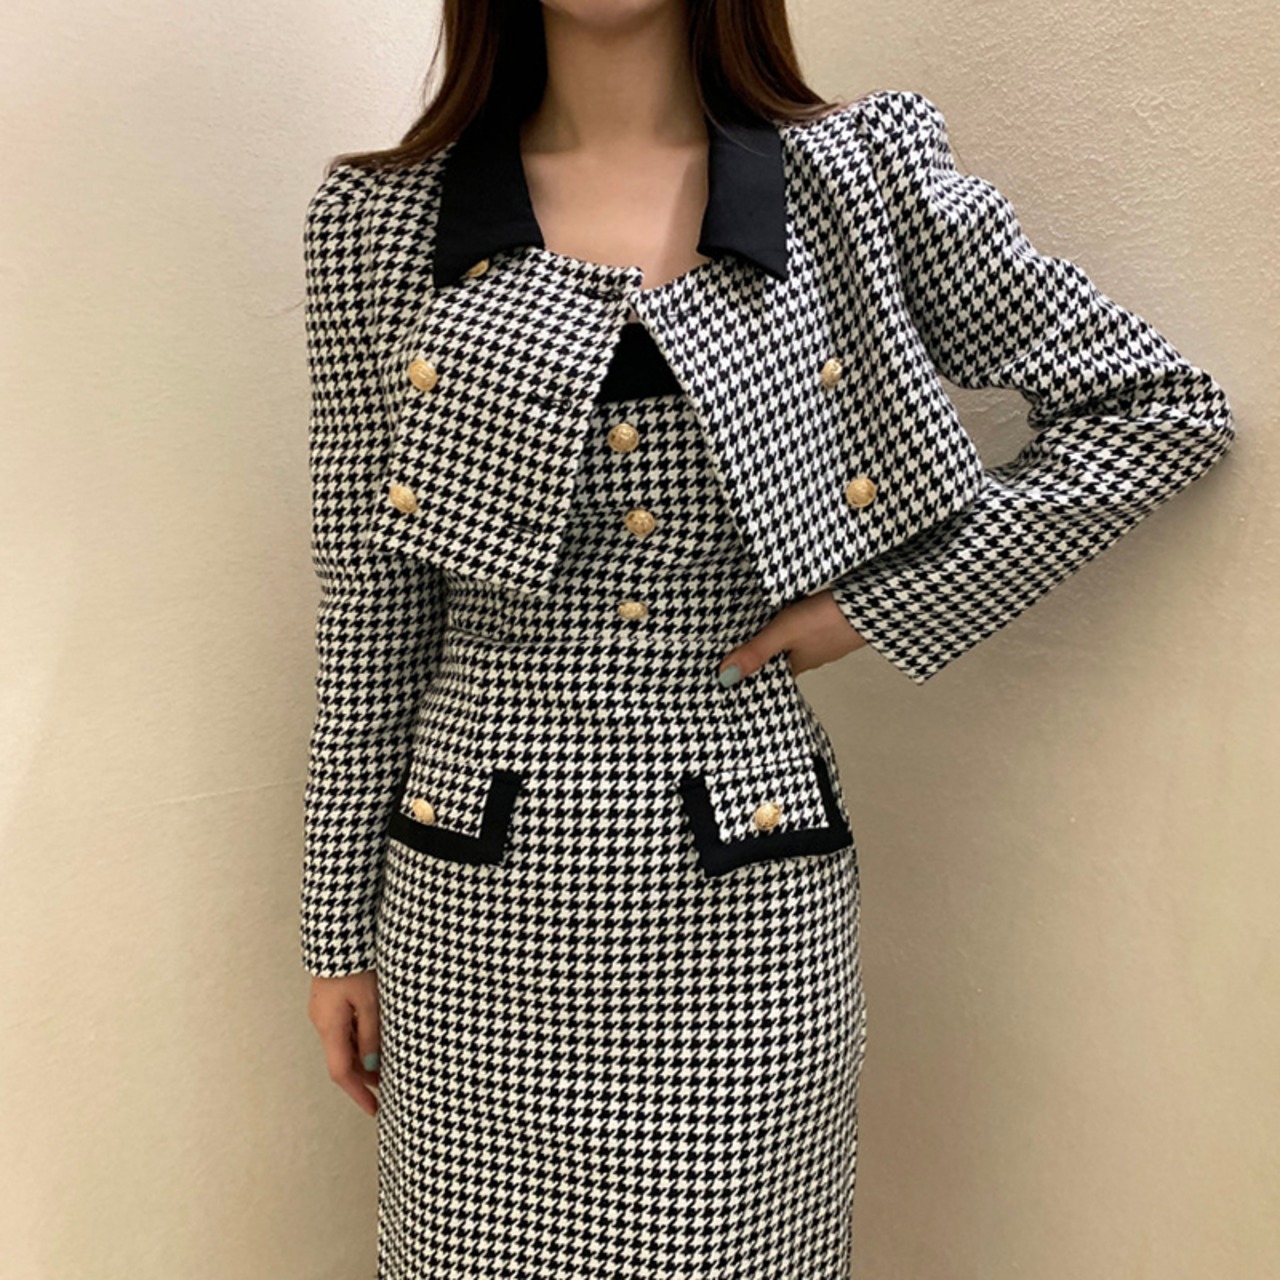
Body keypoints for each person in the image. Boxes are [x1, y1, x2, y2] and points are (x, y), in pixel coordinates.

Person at [299, 2, 1234, 1276]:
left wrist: (880, 605)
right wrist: (332, 932)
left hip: (744, 898)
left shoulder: (856, 184)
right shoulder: (382, 223)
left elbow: (1159, 407)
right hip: (472, 907)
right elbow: (369, 606)